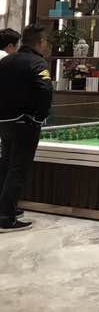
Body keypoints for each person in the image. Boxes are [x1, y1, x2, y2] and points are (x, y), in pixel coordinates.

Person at [0, 25, 53, 232]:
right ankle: (6, 217)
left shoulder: (6, 61)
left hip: (4, 122)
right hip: (26, 122)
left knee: (6, 164)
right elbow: (44, 89)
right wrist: (40, 115)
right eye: (46, 42)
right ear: (40, 42)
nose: (47, 46)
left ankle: (4, 209)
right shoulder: (37, 63)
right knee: (18, 168)